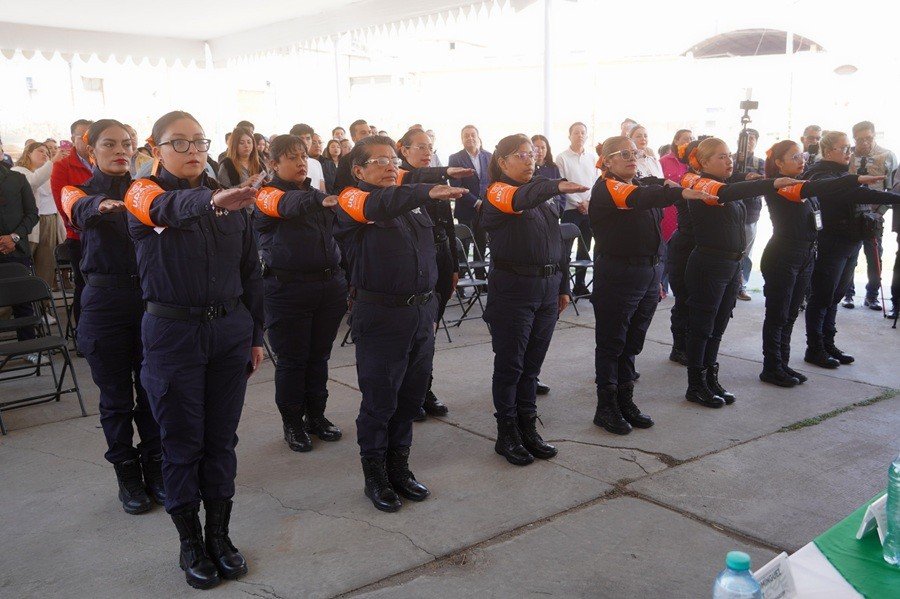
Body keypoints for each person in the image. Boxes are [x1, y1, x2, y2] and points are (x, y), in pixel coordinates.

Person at [125, 111, 264, 589]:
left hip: (228, 333)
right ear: (155, 148)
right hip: (171, 336)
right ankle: (190, 541)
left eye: (198, 142)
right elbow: (168, 209)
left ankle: (220, 535)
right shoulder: (142, 193)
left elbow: (250, 272)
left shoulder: (233, 200)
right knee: (182, 444)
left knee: (221, 441)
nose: (191, 151)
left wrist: (254, 335)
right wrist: (212, 200)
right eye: (178, 143)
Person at [333, 135, 466, 512]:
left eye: (393, 159)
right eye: (379, 161)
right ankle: (375, 475)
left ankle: (399, 468)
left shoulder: (412, 205)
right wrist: (427, 189)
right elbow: (382, 204)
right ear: (358, 170)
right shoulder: (353, 201)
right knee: (380, 400)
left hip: (422, 311)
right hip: (381, 315)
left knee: (410, 396)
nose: (390, 165)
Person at [60, 119, 164, 514]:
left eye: (126, 143)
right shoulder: (79, 191)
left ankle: (155, 467)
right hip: (105, 304)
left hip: (151, 301)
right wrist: (99, 204)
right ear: (91, 152)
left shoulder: (148, 191)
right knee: (116, 397)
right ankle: (127, 474)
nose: (120, 150)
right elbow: (76, 208)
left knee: (153, 391)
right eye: (109, 144)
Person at [589, 136, 714, 434]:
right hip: (618, 274)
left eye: (635, 152)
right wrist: (683, 193)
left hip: (646, 274)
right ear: (607, 161)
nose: (632, 157)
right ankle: (606, 407)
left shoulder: (642, 183)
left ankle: (625, 400)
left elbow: (656, 231)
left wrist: (656, 276)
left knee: (632, 342)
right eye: (624, 154)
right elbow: (643, 199)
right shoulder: (608, 188)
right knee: (612, 343)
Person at [481, 133, 585, 465]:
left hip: (546, 289)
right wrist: (554, 186)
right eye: (522, 155)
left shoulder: (541, 197)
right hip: (513, 291)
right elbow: (519, 199)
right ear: (502, 162)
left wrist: (563, 286)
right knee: (511, 365)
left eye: (532, 155)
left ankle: (528, 426)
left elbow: (558, 245)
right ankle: (507, 433)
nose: (530, 160)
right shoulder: (498, 192)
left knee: (531, 367)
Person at [681, 138, 801, 408]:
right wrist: (771, 183)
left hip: (731, 265)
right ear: (705, 161)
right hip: (709, 265)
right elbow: (727, 195)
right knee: (702, 327)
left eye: (729, 155)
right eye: (721, 157)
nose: (729, 160)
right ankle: (695, 384)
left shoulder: (727, 186)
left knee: (718, 327)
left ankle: (710, 378)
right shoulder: (702, 185)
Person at [757, 140, 883, 387]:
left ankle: (782, 363)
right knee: (778, 314)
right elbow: (827, 186)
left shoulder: (803, 184)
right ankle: (771, 367)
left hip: (804, 255)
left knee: (791, 313)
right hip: (783, 256)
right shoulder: (782, 186)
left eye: (801, 155)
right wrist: (855, 180)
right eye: (793, 157)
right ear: (779, 163)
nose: (801, 160)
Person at [254, 135, 347, 453]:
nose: (300, 162)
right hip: (287, 289)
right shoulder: (267, 196)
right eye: (292, 157)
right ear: (273, 163)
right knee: (293, 361)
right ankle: (293, 423)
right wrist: (319, 199)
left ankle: (317, 416)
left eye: (303, 156)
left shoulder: (316, 194)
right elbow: (287, 205)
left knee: (319, 357)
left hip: (328, 286)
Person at [396, 128, 476, 419]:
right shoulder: (398, 177)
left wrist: (454, 265)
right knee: (413, 335)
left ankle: (423, 389)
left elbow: (448, 224)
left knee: (430, 334)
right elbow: (413, 181)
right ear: (403, 150)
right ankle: (407, 395)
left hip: (441, 257)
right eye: (419, 147)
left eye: (430, 146)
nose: (426, 152)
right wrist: (445, 170)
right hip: (417, 262)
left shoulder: (435, 176)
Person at [803, 131, 900, 369]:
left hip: (850, 241)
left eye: (849, 148)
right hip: (832, 243)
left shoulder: (841, 173)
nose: (850, 152)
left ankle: (828, 343)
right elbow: (856, 192)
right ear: (828, 150)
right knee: (823, 296)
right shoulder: (820, 174)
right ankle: (814, 348)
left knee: (835, 296)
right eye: (844, 148)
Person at [842, 121, 897, 311]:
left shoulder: (887, 156)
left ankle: (872, 295)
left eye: (868, 138)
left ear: (874, 136)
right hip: (850, 214)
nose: (864, 143)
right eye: (860, 139)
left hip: (874, 216)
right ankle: (847, 294)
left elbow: (892, 188)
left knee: (874, 257)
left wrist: (879, 212)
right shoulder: (846, 155)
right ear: (854, 138)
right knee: (850, 255)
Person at [12, 142, 66, 290]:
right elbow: (33, 183)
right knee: (24, 266)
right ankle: (20, 304)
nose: (45, 154)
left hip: (50, 220)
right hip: (31, 224)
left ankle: (44, 305)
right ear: (28, 153)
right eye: (40, 151)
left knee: (46, 265)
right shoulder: (18, 171)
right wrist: (52, 162)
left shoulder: (46, 172)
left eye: (48, 153)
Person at [0, 161, 39, 355]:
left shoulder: (17, 179)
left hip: (16, 248)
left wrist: (14, 237)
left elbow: (32, 214)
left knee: (23, 302)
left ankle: (28, 346)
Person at [557, 122, 599, 298]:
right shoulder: (562, 157)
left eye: (583, 132)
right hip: (570, 208)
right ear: (569, 135)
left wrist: (588, 202)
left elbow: (596, 182)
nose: (580, 135)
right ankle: (563, 288)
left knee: (585, 248)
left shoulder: (592, 158)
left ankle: (580, 285)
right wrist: (578, 202)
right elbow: (562, 183)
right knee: (565, 250)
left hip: (588, 208)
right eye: (576, 132)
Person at [448, 125, 492, 282]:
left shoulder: (489, 156)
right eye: (466, 135)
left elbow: (492, 183)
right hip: (466, 209)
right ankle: (462, 280)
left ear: (478, 137)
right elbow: (456, 185)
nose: (470, 138)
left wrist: (485, 203)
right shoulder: (455, 158)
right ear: (462, 139)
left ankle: (480, 282)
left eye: (473, 134)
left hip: (485, 210)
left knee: (481, 245)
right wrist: (476, 202)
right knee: (464, 247)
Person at [660, 130, 694, 304]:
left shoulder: (692, 164)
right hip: (668, 211)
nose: (689, 141)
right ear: (676, 141)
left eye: (691, 139)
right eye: (685, 139)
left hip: (685, 213)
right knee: (664, 251)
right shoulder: (664, 161)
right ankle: (661, 286)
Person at [733, 128, 766, 301]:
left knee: (746, 252)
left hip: (751, 212)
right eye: (746, 139)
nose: (749, 142)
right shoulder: (730, 159)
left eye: (753, 139)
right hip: (730, 210)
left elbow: (763, 185)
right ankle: (732, 283)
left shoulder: (760, 162)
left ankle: (741, 285)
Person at [332, 119, 372, 194]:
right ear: (353, 138)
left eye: (370, 132)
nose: (368, 135)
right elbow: (341, 188)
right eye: (363, 133)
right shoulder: (345, 160)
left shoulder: (380, 156)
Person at [532, 134, 564, 214]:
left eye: (543, 147)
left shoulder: (553, 167)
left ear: (547, 150)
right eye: (536, 148)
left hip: (553, 210)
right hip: (535, 212)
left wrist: (560, 208)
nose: (540, 151)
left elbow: (561, 189)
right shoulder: (528, 168)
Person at [289, 124, 327, 192]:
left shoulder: (316, 163)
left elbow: (322, 190)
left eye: (308, 138)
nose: (305, 142)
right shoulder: (288, 162)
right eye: (301, 138)